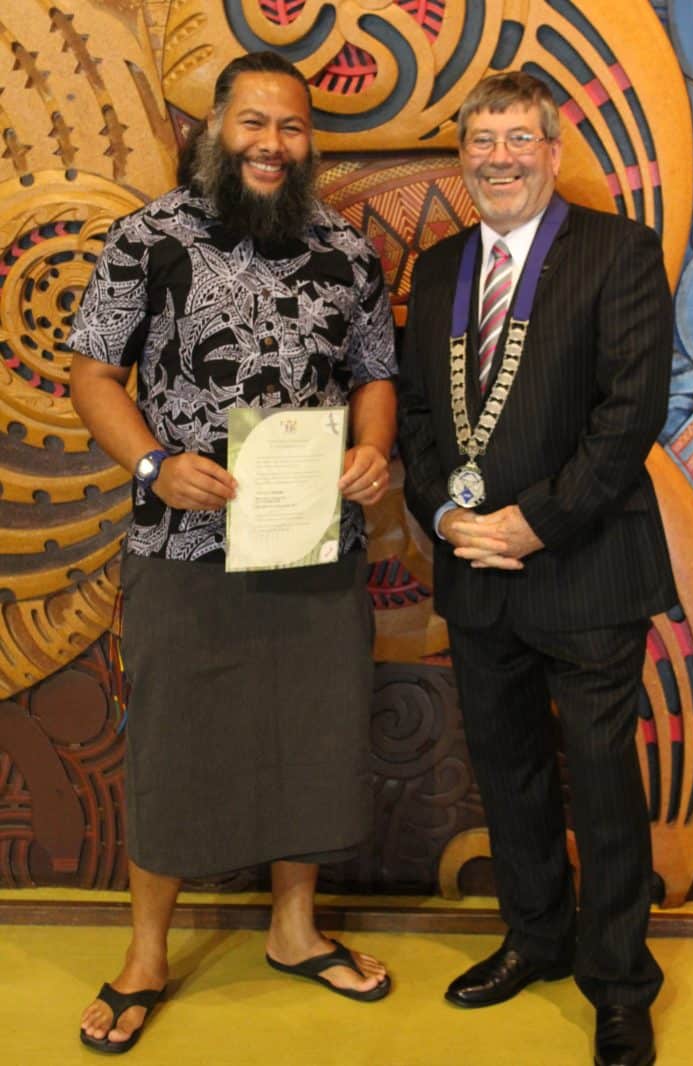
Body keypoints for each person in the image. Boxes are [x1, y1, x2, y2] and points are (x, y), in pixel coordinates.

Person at [67, 50, 397, 1053]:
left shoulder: (348, 247)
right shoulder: (148, 237)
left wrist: (376, 449)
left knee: (311, 733)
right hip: (181, 539)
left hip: (311, 543)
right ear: (216, 129)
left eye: (292, 126)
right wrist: (154, 463)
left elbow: (376, 371)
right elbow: (91, 369)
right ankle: (146, 953)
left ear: (309, 142)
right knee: (173, 742)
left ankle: (294, 930)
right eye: (253, 122)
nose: (271, 142)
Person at [398, 71, 677, 1066]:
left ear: (553, 154)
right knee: (509, 771)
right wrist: (446, 516)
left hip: (588, 568)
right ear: (463, 157)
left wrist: (535, 524)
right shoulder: (435, 272)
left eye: (520, 140)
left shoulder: (617, 253)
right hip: (475, 569)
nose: (501, 158)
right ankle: (535, 938)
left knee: (602, 783)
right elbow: (422, 422)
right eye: (483, 141)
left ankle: (618, 983)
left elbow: (628, 415)